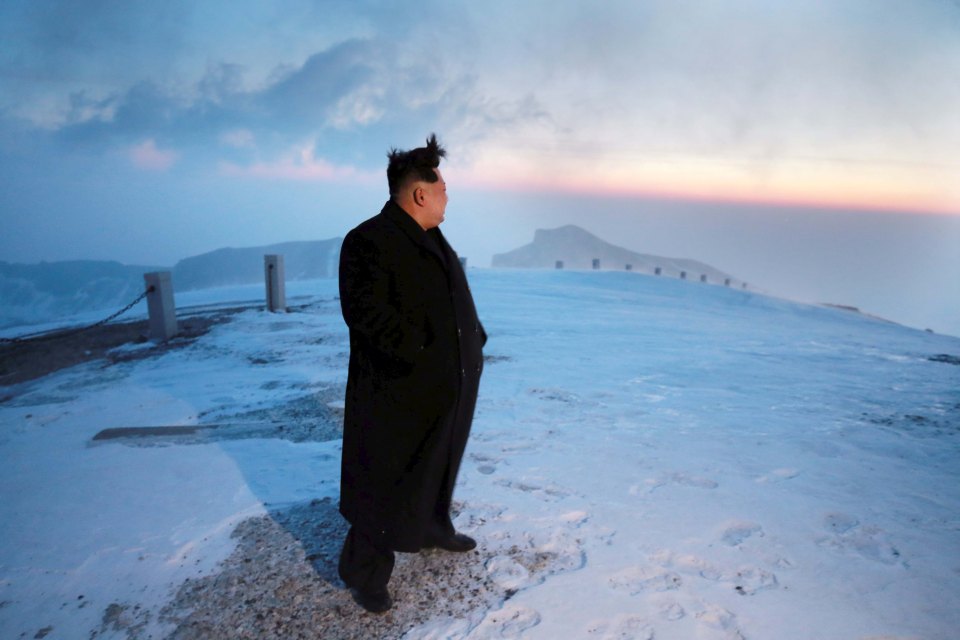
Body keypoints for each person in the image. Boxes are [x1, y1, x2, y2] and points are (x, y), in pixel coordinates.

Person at [337, 133, 486, 614]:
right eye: (442, 188)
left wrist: (474, 338)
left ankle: (433, 528)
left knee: (439, 463)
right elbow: (366, 316)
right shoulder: (368, 241)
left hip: (449, 385)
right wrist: (423, 354)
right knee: (382, 479)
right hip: (396, 392)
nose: (447, 196)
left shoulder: (432, 237)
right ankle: (365, 573)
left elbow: (452, 302)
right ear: (420, 193)